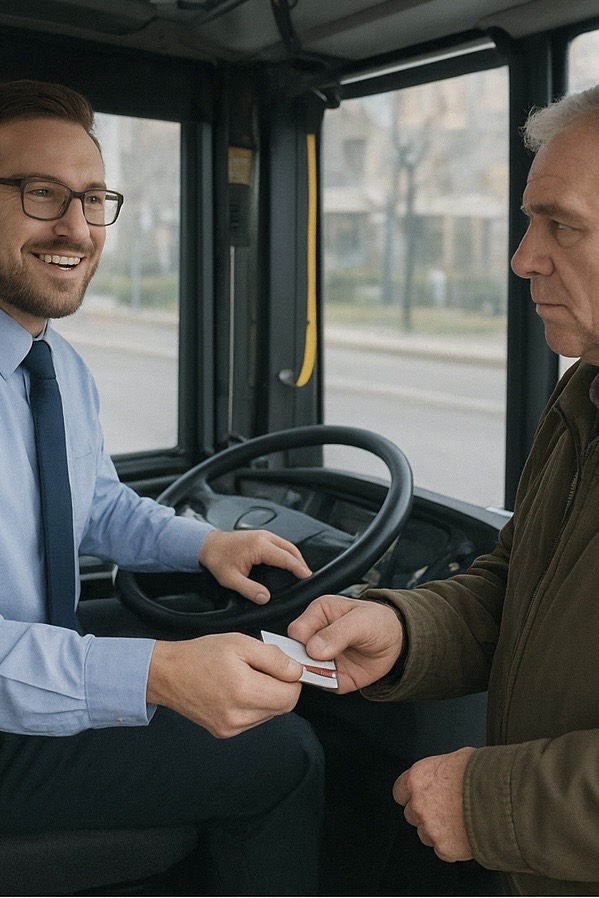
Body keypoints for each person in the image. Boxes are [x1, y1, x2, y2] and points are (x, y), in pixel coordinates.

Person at [0, 79, 323, 896]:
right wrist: (154, 674)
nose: (75, 227)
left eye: (93, 198)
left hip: (34, 663)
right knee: (282, 759)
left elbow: (92, 502)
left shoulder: (56, 366)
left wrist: (206, 543)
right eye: (41, 194)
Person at [289, 83, 599, 896]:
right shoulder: (582, 401)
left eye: (561, 225)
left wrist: (496, 804)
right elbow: (519, 590)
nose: (522, 257)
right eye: (531, 222)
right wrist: (402, 628)